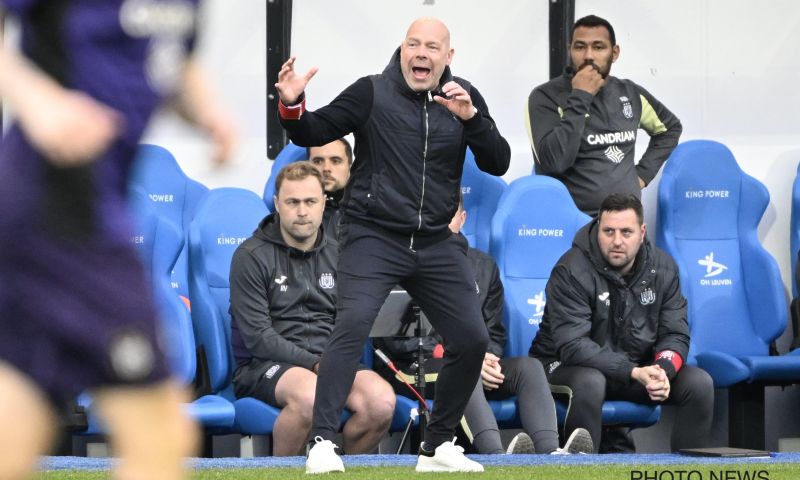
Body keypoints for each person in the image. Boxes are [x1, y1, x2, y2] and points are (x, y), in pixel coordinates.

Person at [0, 2, 235, 479]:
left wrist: (207, 110)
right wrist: (39, 101)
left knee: (16, 428)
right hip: (57, 206)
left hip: (85, 210)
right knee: (162, 432)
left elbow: (168, 63)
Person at [275, 17, 511, 473]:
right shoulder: (371, 92)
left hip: (436, 241)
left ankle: (437, 446)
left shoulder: (463, 98)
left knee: (472, 336)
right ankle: (322, 442)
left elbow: (497, 160)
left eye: (431, 47)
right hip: (373, 234)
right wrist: (292, 103)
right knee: (353, 323)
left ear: (448, 57)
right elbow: (310, 130)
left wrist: (473, 120)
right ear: (402, 50)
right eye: (412, 44)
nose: (420, 53)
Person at [376, 195, 593, 455]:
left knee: (528, 368)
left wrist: (484, 358)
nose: (441, 224)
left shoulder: (484, 265)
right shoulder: (400, 262)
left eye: (448, 216)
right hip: (414, 367)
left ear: (462, 219)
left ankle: (551, 454)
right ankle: (497, 457)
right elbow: (399, 340)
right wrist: (467, 358)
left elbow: (494, 333)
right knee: (462, 371)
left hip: (471, 361)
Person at [229, 161, 395, 456]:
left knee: (381, 401)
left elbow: (352, 322)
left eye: (310, 201)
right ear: (277, 203)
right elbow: (258, 337)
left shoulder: (341, 254)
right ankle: (282, 475)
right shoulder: (250, 256)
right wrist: (317, 363)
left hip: (330, 361)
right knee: (311, 395)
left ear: (323, 204)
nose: (302, 211)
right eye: (292, 202)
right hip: (265, 365)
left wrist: (331, 361)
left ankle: (344, 470)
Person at [529, 193, 714, 453]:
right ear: (597, 229)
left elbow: (675, 333)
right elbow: (573, 346)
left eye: (626, 232)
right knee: (591, 382)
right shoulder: (571, 269)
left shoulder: (663, 268)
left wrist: (662, 370)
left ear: (642, 232)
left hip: (631, 370)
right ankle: (581, 471)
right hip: (563, 365)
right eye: (608, 231)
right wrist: (633, 371)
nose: (617, 241)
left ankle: (688, 470)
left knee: (699, 384)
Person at [526, 15, 682, 217]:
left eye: (598, 47)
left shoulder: (630, 93)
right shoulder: (545, 97)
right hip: (571, 223)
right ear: (569, 50)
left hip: (625, 223)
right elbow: (554, 163)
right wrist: (581, 96)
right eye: (580, 47)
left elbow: (669, 129)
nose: (588, 55)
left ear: (614, 53)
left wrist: (642, 174)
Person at [307, 138, 352, 237]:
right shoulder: (293, 213)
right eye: (318, 161)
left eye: (335, 161)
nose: (326, 168)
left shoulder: (367, 212)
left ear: (349, 166)